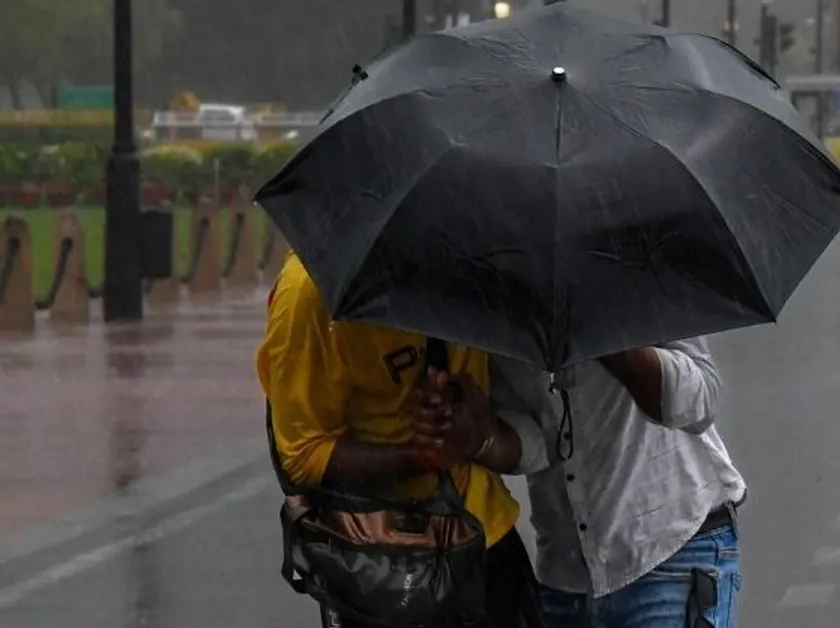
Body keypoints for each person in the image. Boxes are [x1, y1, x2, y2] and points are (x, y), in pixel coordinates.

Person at [257, 254, 541, 628]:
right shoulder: (313, 289)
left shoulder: (477, 258)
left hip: (487, 542)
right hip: (386, 567)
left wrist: (477, 426)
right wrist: (420, 457)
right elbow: (301, 455)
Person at [479, 341, 747, 628]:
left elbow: (700, 402)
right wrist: (482, 440)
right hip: (566, 580)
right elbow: (539, 439)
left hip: (669, 550)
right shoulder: (501, 308)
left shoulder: (630, 294)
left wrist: (606, 341)